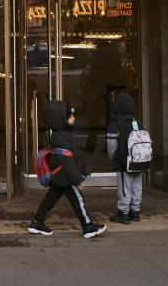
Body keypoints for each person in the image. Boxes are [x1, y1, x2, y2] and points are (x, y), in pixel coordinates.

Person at [26, 101, 107, 239]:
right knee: (78, 200)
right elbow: (68, 161)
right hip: (65, 177)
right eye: (70, 116)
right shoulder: (63, 137)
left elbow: (74, 155)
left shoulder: (61, 135)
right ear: (61, 120)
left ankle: (37, 222)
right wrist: (77, 180)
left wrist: (84, 168)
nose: (74, 118)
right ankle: (87, 227)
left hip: (59, 176)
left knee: (49, 200)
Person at [106, 91, 143, 225]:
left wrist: (112, 157)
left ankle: (124, 213)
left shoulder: (115, 124)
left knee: (124, 186)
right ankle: (135, 211)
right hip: (138, 160)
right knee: (136, 185)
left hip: (123, 160)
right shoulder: (136, 122)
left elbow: (111, 145)